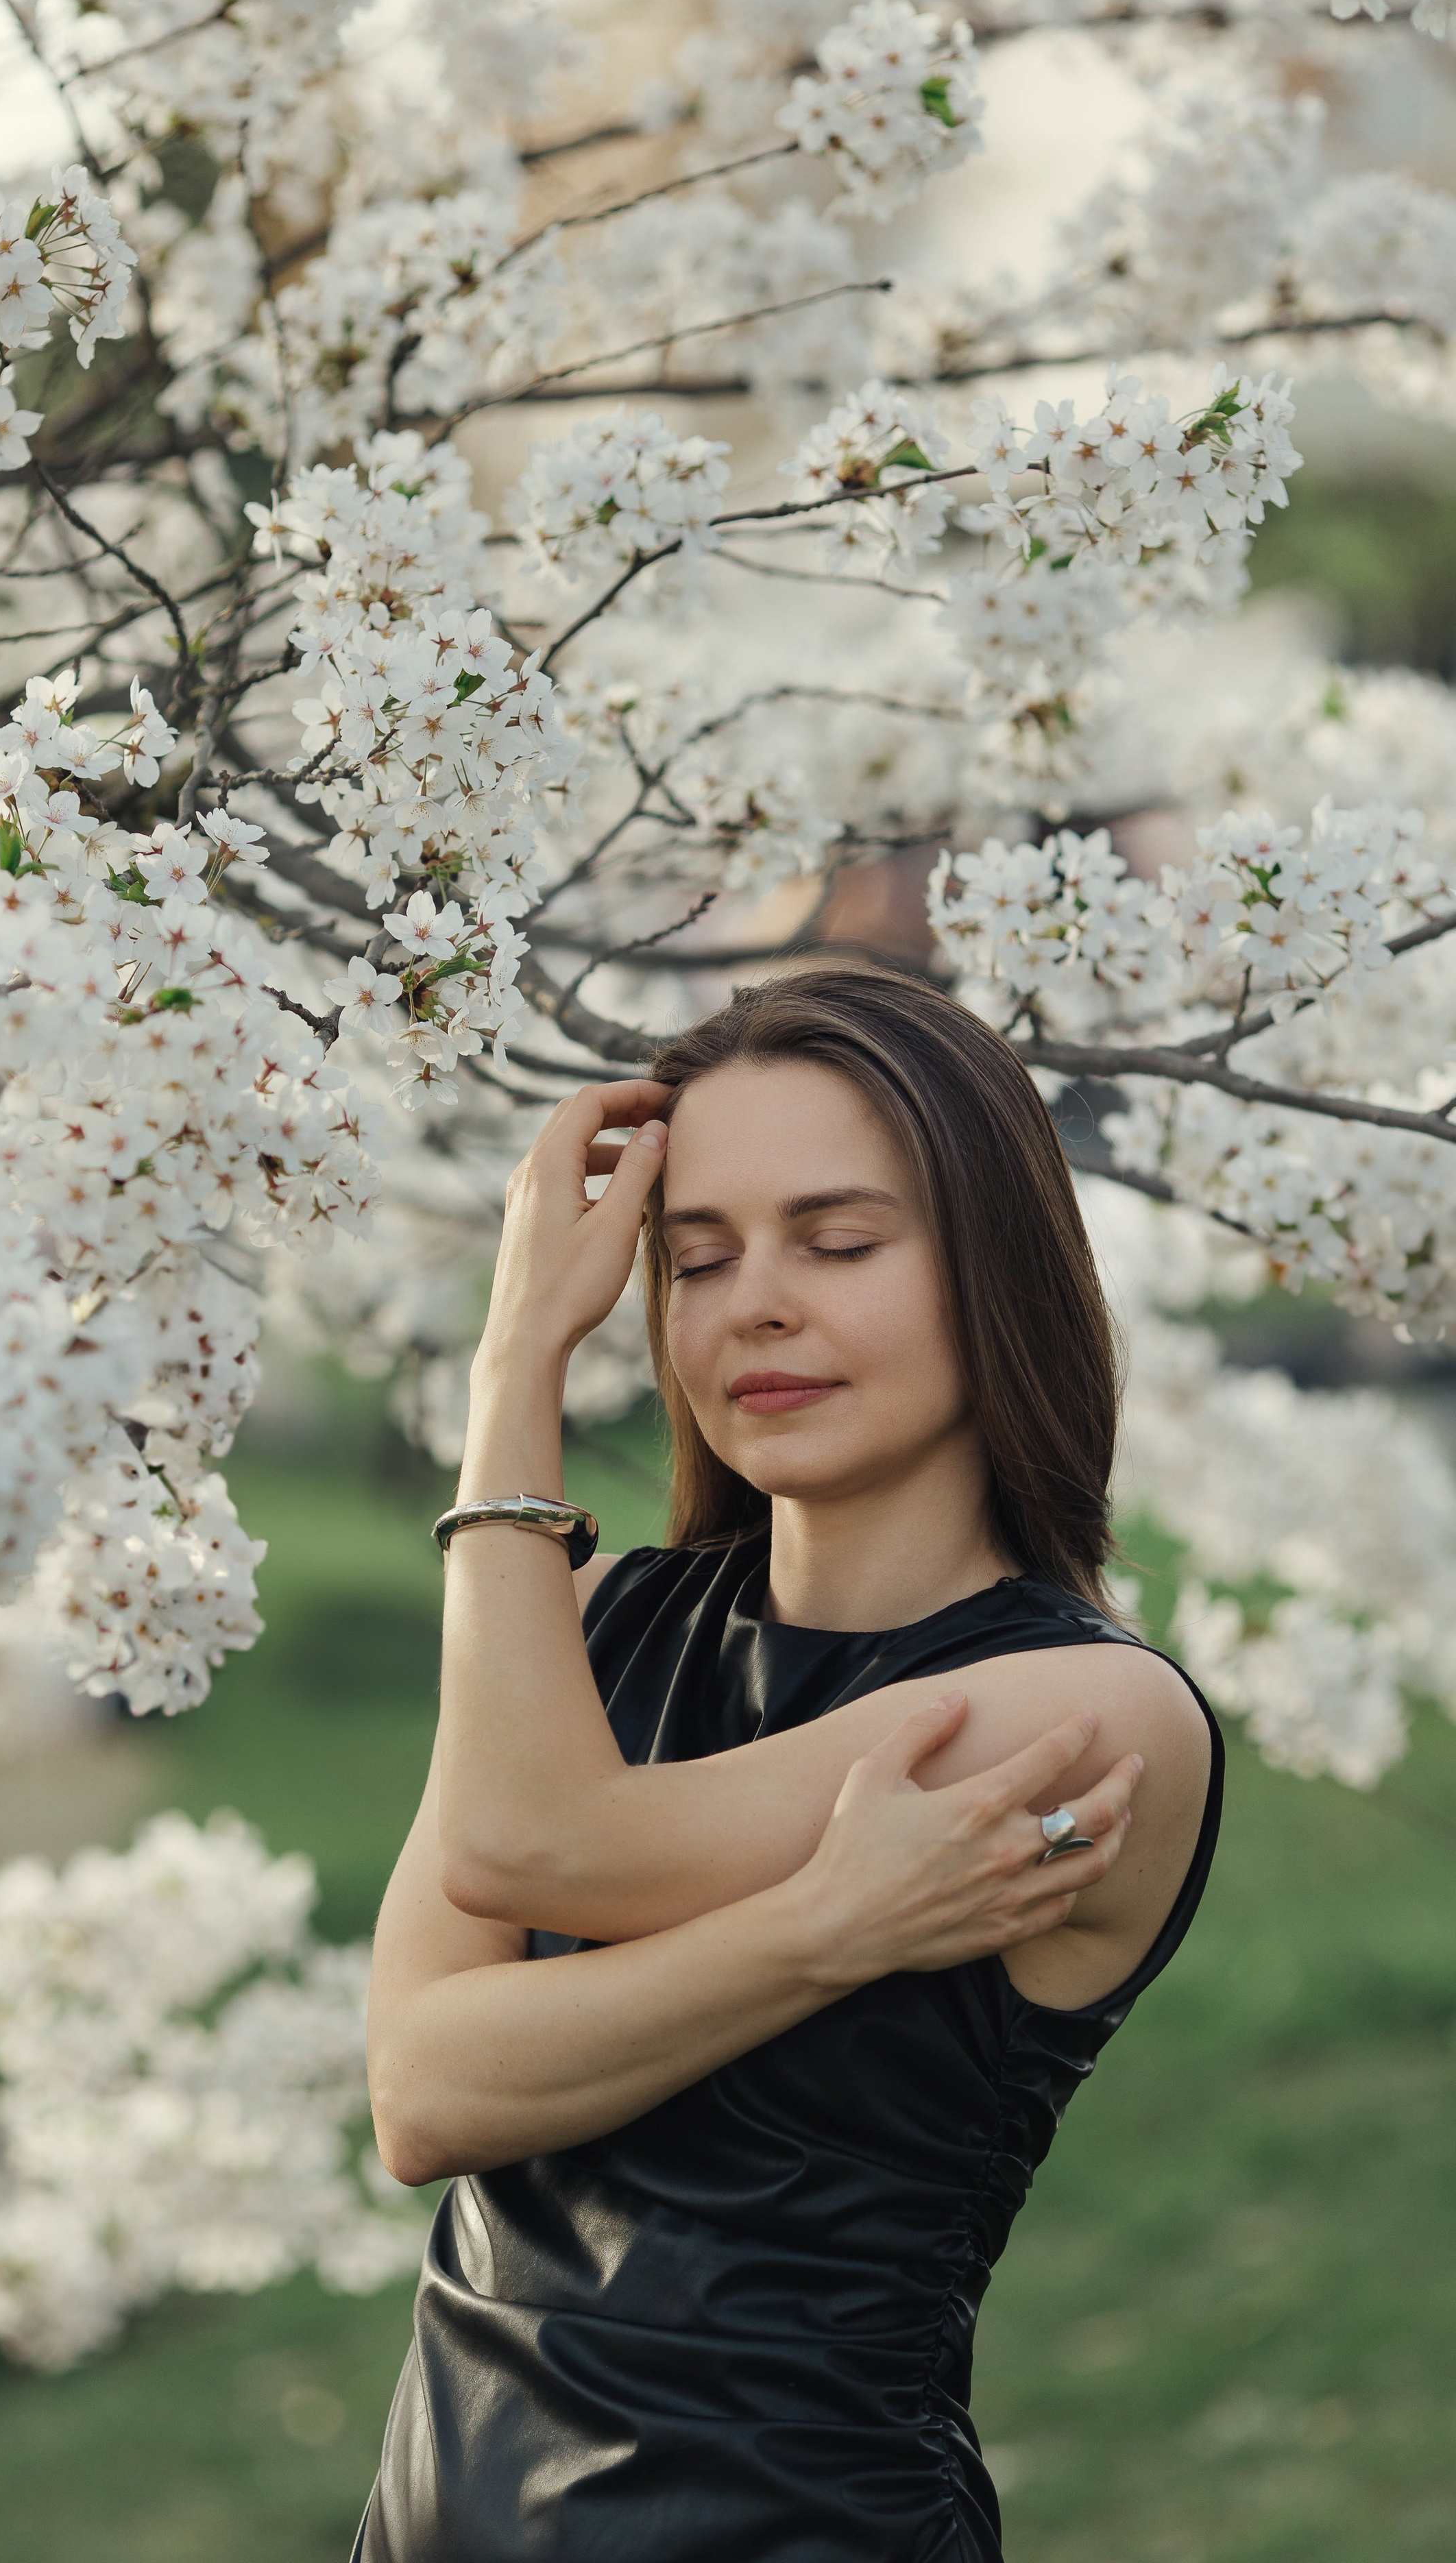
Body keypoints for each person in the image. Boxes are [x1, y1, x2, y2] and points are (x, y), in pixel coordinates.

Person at [354, 965, 1221, 2563]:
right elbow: (424, 2092)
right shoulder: (594, 1627)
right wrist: (821, 1930)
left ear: (993, 1267)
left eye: (836, 1243)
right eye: (696, 1258)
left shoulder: (1082, 1716)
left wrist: (509, 1387)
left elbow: (533, 1845)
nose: (754, 1303)